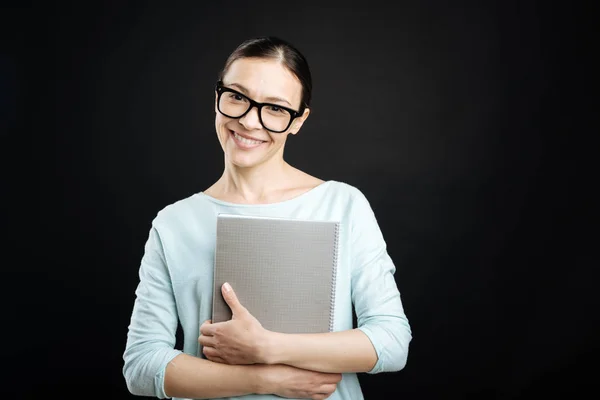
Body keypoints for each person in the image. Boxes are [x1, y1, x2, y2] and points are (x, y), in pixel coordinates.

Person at [122, 36, 412, 400]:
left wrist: (268, 347)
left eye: (275, 109)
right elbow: (141, 365)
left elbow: (392, 342)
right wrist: (265, 380)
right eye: (238, 97)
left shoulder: (343, 205)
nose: (248, 120)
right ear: (217, 97)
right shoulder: (174, 223)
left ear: (298, 121)